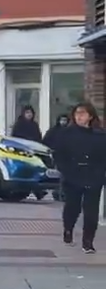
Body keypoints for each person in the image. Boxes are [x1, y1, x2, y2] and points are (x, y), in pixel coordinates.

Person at [52, 103, 106, 253]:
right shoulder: (66, 134)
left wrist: (101, 173)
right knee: (72, 206)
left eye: (83, 114)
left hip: (93, 176)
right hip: (72, 175)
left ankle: (88, 241)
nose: (79, 117)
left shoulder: (99, 135)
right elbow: (59, 154)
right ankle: (68, 229)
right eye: (77, 113)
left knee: (91, 211)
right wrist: (65, 170)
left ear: (90, 116)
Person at [45, 113, 71, 201]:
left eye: (65, 120)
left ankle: (62, 193)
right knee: (59, 175)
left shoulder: (69, 131)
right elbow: (46, 141)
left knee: (64, 176)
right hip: (56, 156)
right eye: (62, 120)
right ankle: (58, 193)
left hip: (67, 157)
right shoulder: (53, 131)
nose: (63, 122)